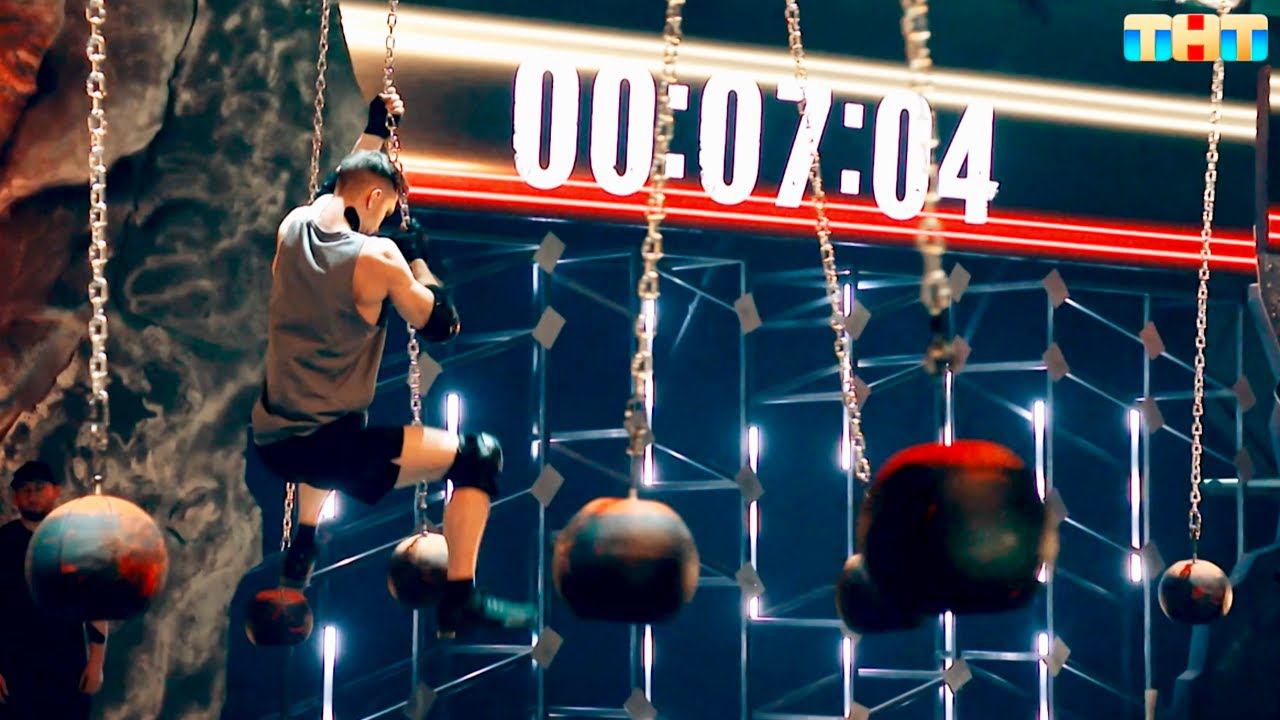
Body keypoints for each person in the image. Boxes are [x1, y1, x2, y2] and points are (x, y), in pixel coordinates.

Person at [251, 90, 535, 637]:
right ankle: (461, 599)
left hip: (272, 437)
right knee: (479, 456)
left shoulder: (293, 227)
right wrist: (417, 257)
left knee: (332, 425)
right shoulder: (376, 256)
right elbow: (441, 325)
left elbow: (341, 185)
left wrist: (376, 131)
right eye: (383, 211)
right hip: (324, 448)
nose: (381, 224)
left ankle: (304, 541)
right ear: (377, 197)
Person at [0, 461, 108, 720]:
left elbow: (96, 603)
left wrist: (96, 662)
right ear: (14, 496)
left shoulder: (75, 540)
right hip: (14, 666)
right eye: (25, 489)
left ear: (56, 491)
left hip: (67, 664)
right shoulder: (3, 541)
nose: (32, 495)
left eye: (39, 488)